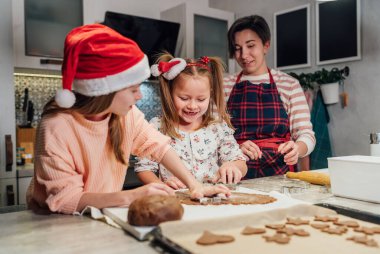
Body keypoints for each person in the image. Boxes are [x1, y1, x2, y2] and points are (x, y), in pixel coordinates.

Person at [26, 24, 230, 215]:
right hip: (55, 221)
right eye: (133, 89)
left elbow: (159, 147)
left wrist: (195, 185)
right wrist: (131, 196)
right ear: (106, 91)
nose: (139, 96)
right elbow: (66, 200)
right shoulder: (57, 127)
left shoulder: (126, 115)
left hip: (102, 213)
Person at [134, 53, 247, 189]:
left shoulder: (217, 127)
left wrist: (233, 166)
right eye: (184, 98)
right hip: (175, 201)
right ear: (170, 93)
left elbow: (240, 162)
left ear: (210, 94)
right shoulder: (157, 127)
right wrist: (162, 186)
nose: (192, 106)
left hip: (214, 199)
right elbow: (144, 168)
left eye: (201, 99)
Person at [224, 15, 316, 178]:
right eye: (237, 48)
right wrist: (233, 148)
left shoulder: (289, 85)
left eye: (250, 45)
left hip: (281, 174)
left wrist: (298, 149)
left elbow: (306, 134)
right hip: (235, 173)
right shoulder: (224, 85)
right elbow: (210, 134)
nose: (244, 55)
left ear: (266, 45)